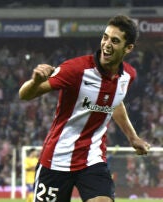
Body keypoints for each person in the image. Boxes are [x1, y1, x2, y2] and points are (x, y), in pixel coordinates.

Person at [19, 15, 151, 202]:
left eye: (115, 41)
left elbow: (115, 102)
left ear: (128, 48)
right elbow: (24, 95)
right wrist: (35, 81)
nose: (106, 44)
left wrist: (133, 137)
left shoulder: (128, 76)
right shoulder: (75, 70)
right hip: (56, 159)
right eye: (105, 37)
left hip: (92, 159)